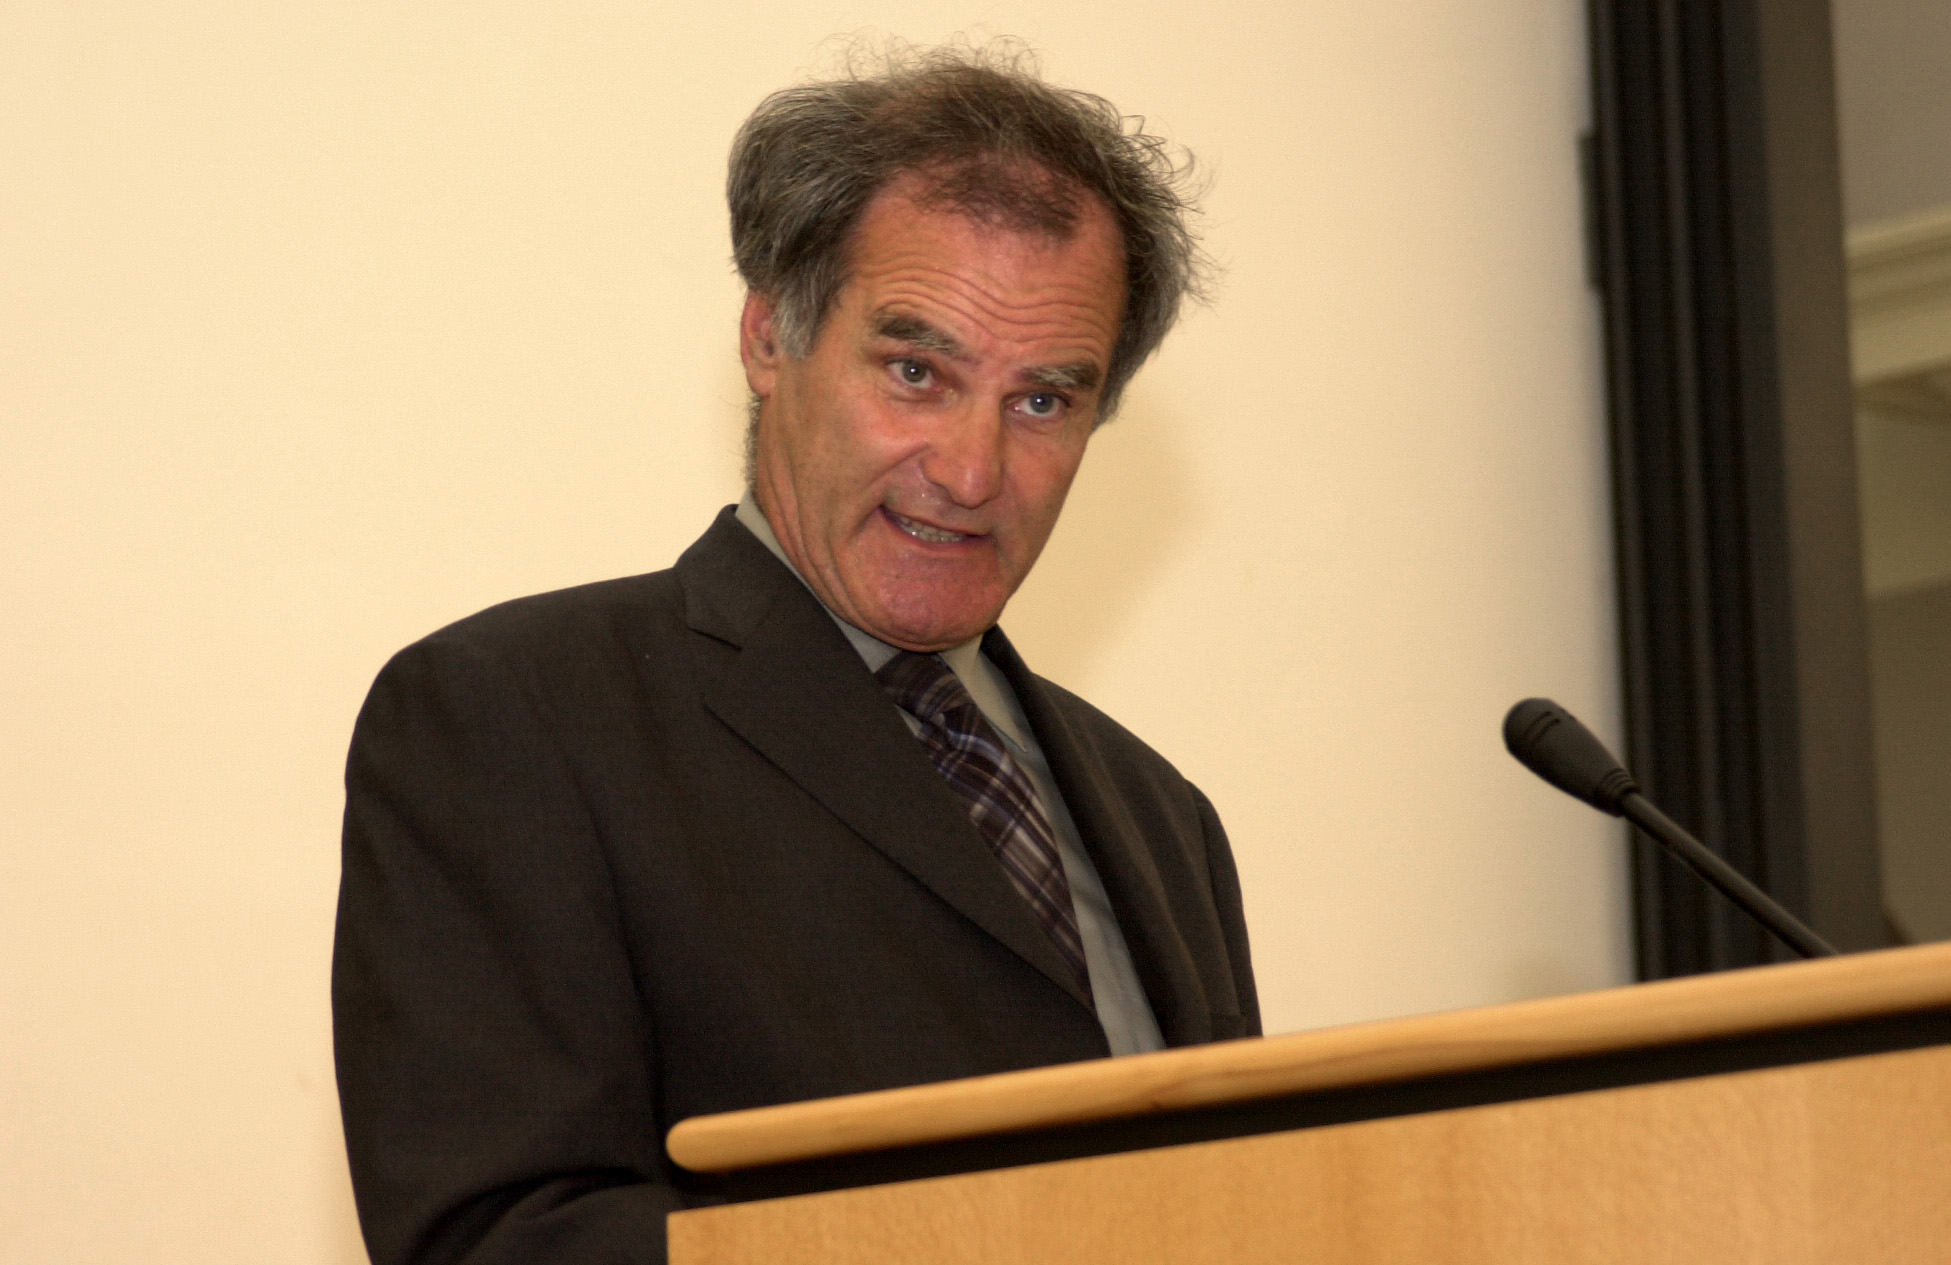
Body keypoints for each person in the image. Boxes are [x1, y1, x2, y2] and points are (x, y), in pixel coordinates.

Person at [333, 43, 1259, 1265]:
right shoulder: (515, 716)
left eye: (1043, 399)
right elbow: (501, 1239)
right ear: (770, 338)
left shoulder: (1164, 818)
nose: (971, 470)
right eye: (915, 371)